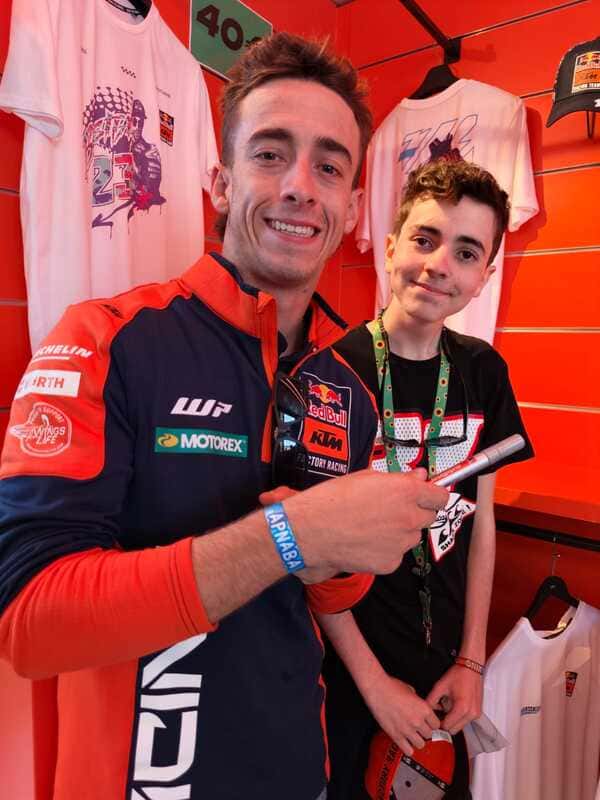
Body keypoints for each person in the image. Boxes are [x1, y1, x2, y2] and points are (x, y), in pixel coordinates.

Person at [0, 33, 449, 800]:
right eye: (271, 154)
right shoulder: (105, 338)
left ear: (349, 207)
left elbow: (330, 594)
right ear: (219, 183)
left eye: (330, 167)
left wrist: (345, 555)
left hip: (295, 775)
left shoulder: (349, 385)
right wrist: (288, 536)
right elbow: (30, 621)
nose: (300, 186)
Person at [319, 159, 534, 799]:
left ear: (483, 275)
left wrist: (472, 661)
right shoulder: (332, 372)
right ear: (390, 247)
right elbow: (313, 553)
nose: (440, 265)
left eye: (466, 252)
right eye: (424, 239)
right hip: (347, 667)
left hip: (445, 673)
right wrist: (372, 683)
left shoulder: (484, 371)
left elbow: (481, 521)